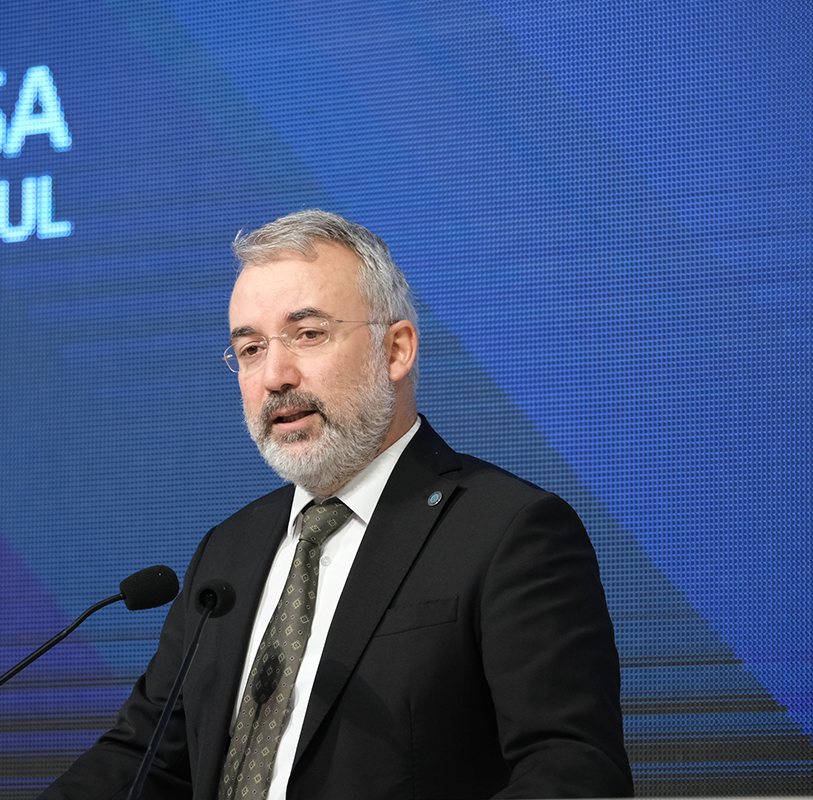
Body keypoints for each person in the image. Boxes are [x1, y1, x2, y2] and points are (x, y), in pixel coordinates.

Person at [40, 210, 632, 799]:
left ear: (395, 350)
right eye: (250, 348)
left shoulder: (508, 531)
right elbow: (144, 758)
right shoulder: (228, 553)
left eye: (308, 334)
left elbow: (574, 771)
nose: (275, 375)